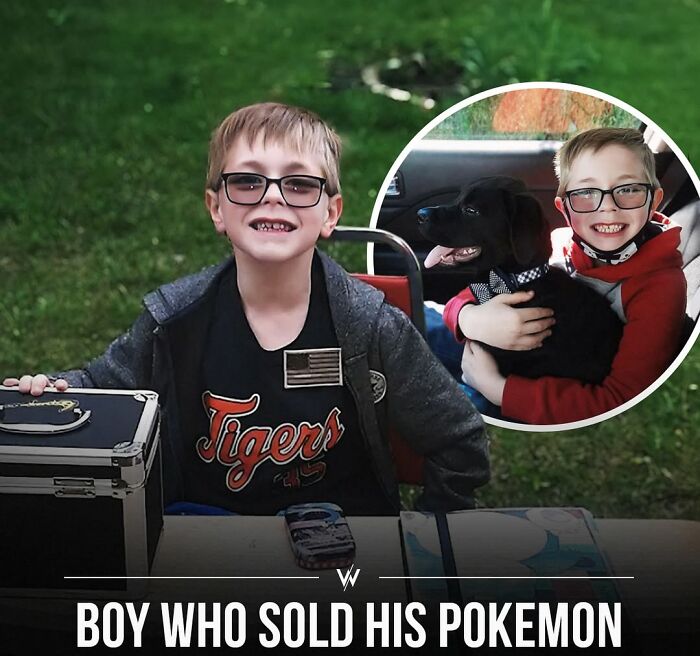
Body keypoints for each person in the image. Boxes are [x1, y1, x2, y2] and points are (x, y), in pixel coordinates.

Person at [4, 102, 489, 513]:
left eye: (299, 185)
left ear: (330, 213)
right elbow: (97, 390)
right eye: (248, 182)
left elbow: (459, 440)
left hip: (345, 543)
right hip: (204, 533)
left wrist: (425, 539)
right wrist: (48, 390)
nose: (274, 198)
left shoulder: (372, 325)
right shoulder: (172, 321)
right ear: (217, 208)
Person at [441, 127, 687, 425]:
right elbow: (481, 291)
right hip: (489, 353)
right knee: (417, 319)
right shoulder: (558, 246)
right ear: (564, 207)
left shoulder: (660, 289)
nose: (607, 207)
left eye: (628, 189)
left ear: (654, 201)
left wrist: (499, 390)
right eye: (585, 192)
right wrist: (469, 318)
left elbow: (621, 402)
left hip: (530, 400)